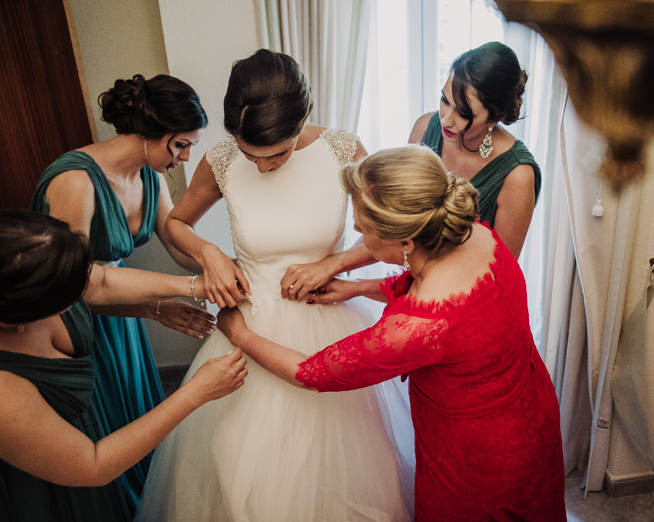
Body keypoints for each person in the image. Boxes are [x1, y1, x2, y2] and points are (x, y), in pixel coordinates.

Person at [135, 49, 412, 522]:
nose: (262, 168)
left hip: (328, 324)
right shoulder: (221, 160)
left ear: (302, 118)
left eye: (277, 154)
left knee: (343, 475)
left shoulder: (342, 150)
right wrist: (211, 254)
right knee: (241, 469)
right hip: (249, 326)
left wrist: (335, 263)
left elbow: (394, 232)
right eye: (250, 155)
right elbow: (177, 223)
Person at [218, 146, 566, 522]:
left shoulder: (415, 328)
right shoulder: (474, 234)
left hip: (476, 459)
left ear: (405, 242)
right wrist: (358, 287)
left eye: (364, 229)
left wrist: (240, 333)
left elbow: (312, 372)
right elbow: (451, 293)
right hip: (532, 408)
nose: (355, 232)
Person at [0, 210, 247, 522]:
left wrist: (193, 287)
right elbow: (91, 465)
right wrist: (196, 392)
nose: (86, 288)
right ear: (14, 320)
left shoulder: (26, 261)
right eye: (73, 293)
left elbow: (102, 281)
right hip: (22, 490)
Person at [30, 73, 216, 513]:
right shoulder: (76, 181)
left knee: (137, 414)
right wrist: (191, 288)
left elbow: (177, 244)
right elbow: (79, 282)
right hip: (71, 322)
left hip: (121, 316)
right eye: (182, 144)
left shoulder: (149, 177)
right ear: (152, 134)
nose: (186, 157)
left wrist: (222, 262)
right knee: (103, 428)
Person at [279, 41, 540, 304]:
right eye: (444, 99)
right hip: (413, 295)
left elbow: (492, 281)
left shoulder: (517, 176)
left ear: (494, 117)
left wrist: (354, 283)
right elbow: (393, 225)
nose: (446, 118)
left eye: (463, 113)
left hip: (467, 311)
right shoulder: (426, 127)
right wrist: (337, 269)